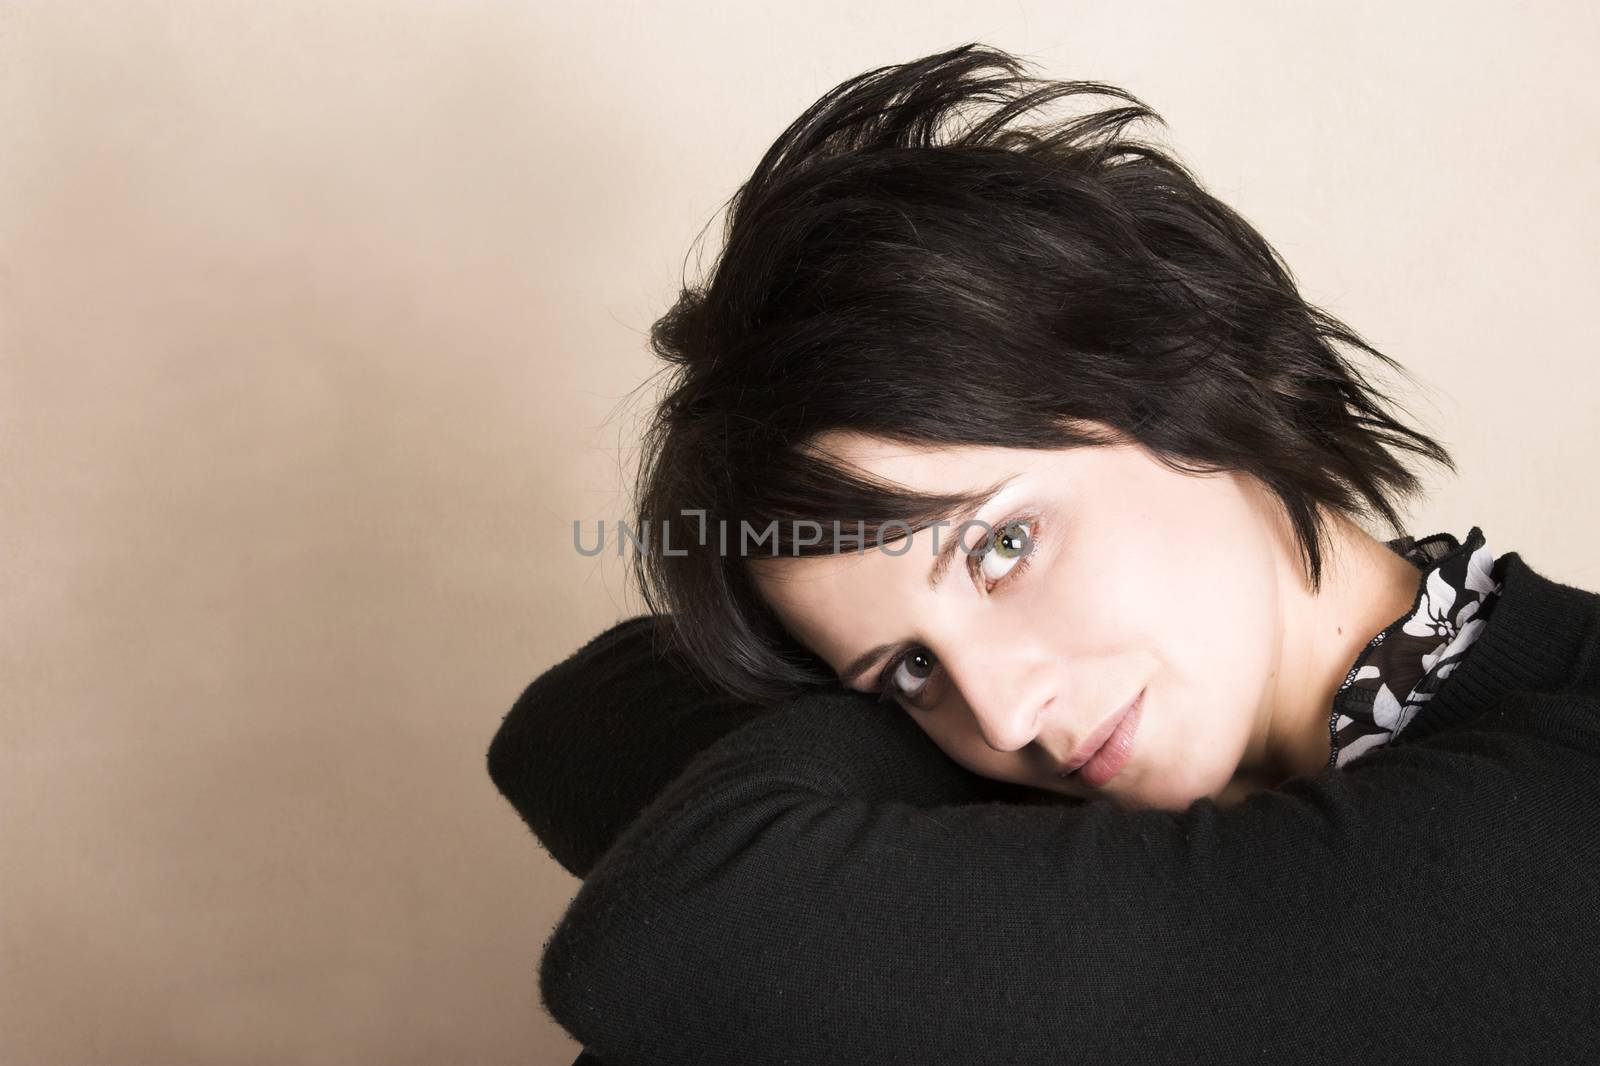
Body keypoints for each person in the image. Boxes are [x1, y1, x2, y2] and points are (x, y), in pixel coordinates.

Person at [487, 42, 1600, 1064]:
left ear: (1188, 369)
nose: (1008, 717)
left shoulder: (1554, 804)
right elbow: (569, 722)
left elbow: (677, 931)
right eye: (906, 670)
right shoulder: (1092, 780)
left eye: (1001, 546)